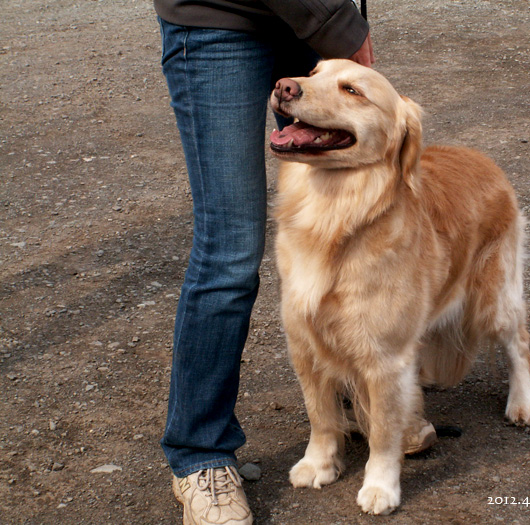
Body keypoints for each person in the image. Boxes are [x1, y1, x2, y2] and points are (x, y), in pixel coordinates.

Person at [153, 1, 373, 523]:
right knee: (229, 251)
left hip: (310, 23)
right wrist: (339, 25)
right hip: (219, 21)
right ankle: (199, 453)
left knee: (347, 228)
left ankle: (365, 403)